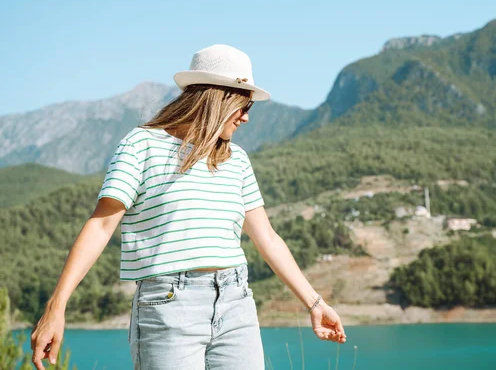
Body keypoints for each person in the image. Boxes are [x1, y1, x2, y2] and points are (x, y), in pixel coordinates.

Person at [30, 44, 347, 370]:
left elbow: (267, 238)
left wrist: (314, 302)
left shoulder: (237, 160)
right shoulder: (141, 145)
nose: (248, 117)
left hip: (236, 302)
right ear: (217, 98)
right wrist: (57, 306)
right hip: (168, 306)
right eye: (243, 105)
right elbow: (100, 226)